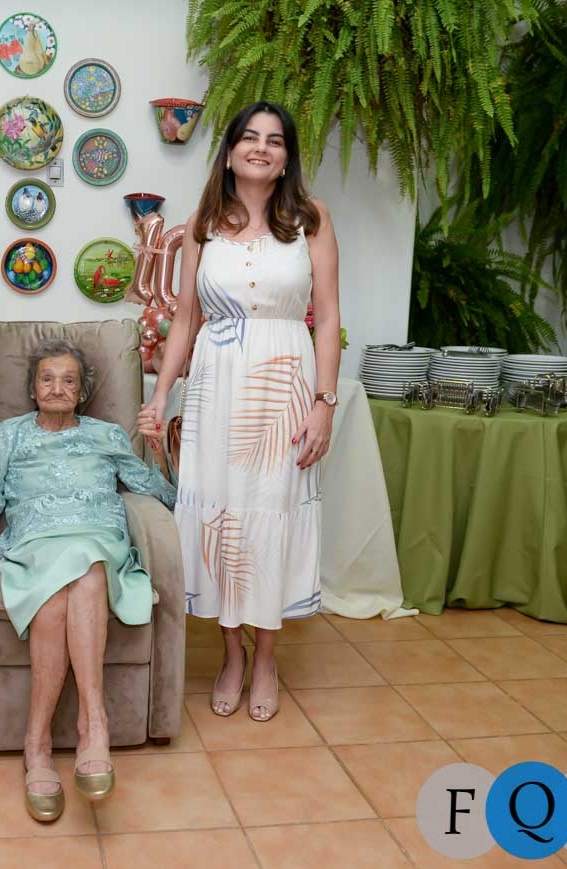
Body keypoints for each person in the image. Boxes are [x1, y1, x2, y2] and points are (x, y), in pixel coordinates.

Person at [137, 101, 341, 722]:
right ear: (228, 153)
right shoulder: (201, 223)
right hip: (215, 387)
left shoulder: (311, 219)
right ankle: (231, 653)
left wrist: (324, 403)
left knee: (271, 512)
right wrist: (160, 395)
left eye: (275, 140)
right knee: (221, 516)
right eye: (249, 137)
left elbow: (329, 317)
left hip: (284, 388)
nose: (261, 148)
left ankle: (267, 657)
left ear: (287, 158)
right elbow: (184, 320)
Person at [0, 339, 175, 822]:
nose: (57, 388)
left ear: (82, 392)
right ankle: (67, 735)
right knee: (68, 584)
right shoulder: (8, 436)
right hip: (36, 543)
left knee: (87, 565)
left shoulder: (108, 435)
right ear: (32, 388)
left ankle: (66, 734)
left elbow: (161, 494)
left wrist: (157, 452)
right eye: (47, 379)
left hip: (96, 538)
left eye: (69, 380)